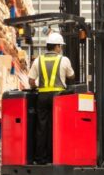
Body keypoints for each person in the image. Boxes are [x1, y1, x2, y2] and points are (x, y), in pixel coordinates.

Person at [27, 32, 75, 164]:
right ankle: (55, 157)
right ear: (57, 47)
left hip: (42, 97)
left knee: (42, 128)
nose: (61, 49)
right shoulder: (64, 60)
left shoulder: (38, 60)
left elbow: (31, 81)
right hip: (58, 99)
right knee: (57, 127)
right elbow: (71, 75)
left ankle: (41, 158)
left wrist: (37, 86)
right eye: (61, 46)